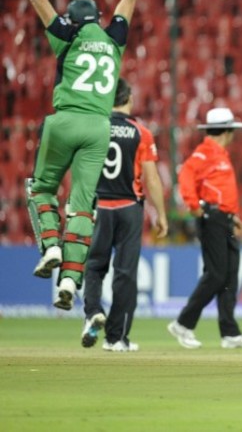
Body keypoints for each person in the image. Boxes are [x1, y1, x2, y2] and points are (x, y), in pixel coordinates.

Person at [1, 0, 153, 310]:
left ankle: (51, 246)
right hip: (99, 128)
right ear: (98, 18)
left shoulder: (66, 37)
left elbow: (38, 1)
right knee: (83, 207)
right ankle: (69, 279)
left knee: (41, 188)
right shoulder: (114, 38)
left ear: (72, 20)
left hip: (65, 120)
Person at [82, 78, 168, 352]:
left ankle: (93, 311)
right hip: (129, 207)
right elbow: (151, 178)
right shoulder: (141, 132)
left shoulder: (94, 129)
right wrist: (161, 214)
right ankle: (116, 338)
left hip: (100, 206)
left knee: (95, 266)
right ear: (129, 98)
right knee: (125, 273)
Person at [167, 107, 242, 350]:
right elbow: (185, 177)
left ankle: (229, 332)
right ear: (227, 131)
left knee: (228, 274)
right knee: (217, 274)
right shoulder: (204, 154)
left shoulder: (218, 153)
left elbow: (219, 188)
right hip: (212, 218)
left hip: (224, 218)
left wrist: (233, 216)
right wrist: (195, 207)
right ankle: (183, 323)